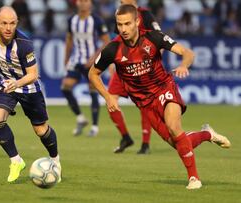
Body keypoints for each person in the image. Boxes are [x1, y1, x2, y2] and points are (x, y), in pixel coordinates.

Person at [89, 4, 231, 189]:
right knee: (178, 142)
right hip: (144, 103)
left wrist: (183, 66)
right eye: (119, 24)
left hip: (164, 89)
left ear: (137, 22)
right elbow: (93, 73)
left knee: (173, 127)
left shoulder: (153, 37)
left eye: (127, 24)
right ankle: (207, 134)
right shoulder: (112, 49)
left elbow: (187, 52)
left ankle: (194, 178)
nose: (123, 29)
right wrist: (108, 97)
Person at [0, 6, 61, 183]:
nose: (8, 28)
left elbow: (33, 74)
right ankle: (16, 161)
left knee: (41, 130)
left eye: (12, 23)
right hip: (5, 84)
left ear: (17, 23)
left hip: (28, 87)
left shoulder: (24, 44)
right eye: (4, 23)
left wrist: (17, 83)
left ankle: (55, 160)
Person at [111, 0, 161, 154]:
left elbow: (159, 36)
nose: (121, 1)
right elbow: (117, 41)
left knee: (144, 104)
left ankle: (145, 144)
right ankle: (126, 137)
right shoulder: (121, 16)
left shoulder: (145, 14)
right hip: (123, 66)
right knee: (110, 99)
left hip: (141, 67)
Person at [61, 0, 110, 137]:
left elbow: (107, 42)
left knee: (93, 90)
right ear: (77, 3)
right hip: (76, 59)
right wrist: (66, 57)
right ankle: (81, 118)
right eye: (81, 1)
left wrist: (95, 57)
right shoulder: (72, 20)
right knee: (65, 87)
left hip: (92, 62)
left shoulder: (96, 20)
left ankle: (94, 126)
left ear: (90, 4)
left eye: (86, 1)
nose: (83, 3)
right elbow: (69, 39)